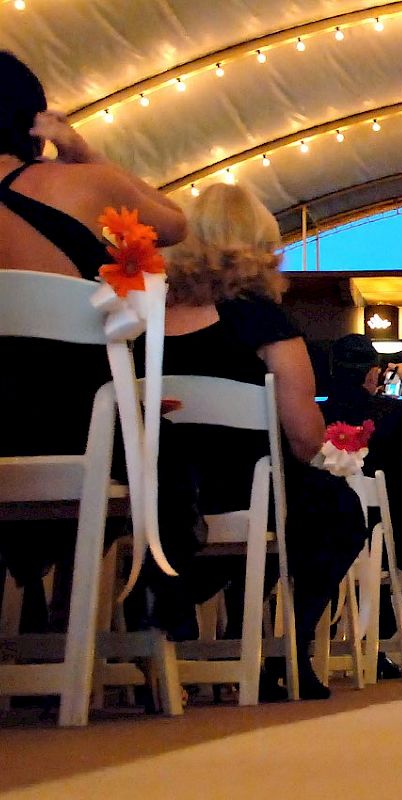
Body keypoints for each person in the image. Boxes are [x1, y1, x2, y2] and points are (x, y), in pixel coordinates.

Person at [154, 183, 368, 700]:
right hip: (243, 493)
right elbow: (302, 438)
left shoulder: (138, 316)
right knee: (338, 513)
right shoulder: (262, 319)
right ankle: (285, 651)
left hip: (155, 496)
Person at [0, 50, 187, 630]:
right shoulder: (82, 185)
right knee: (163, 454)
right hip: (75, 431)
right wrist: (84, 152)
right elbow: (176, 224)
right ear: (33, 118)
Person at [321, 334, 402, 679]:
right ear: (372, 375)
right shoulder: (388, 412)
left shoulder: (321, 414)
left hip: (329, 535)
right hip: (390, 534)